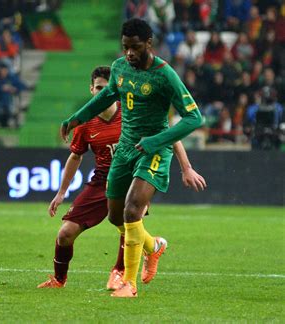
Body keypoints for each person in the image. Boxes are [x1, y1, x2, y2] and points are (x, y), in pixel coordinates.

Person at [60, 18, 205, 298]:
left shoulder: (165, 75)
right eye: (125, 47)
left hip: (154, 150)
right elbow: (107, 97)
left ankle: (129, 283)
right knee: (117, 218)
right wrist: (77, 118)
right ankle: (153, 246)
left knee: (132, 211)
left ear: (148, 44)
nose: (129, 53)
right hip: (126, 148)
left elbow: (194, 117)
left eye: (135, 47)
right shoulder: (119, 67)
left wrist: (156, 140)